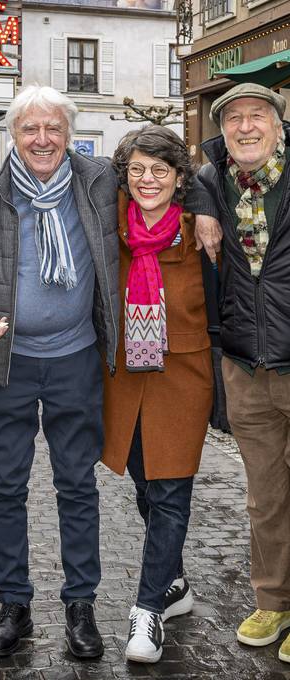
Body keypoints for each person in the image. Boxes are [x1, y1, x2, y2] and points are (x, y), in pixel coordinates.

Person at [0, 84, 219, 661]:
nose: (42, 139)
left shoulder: (98, 182)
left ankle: (80, 604)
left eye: (54, 129)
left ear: (69, 135)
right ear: (12, 135)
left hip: (77, 359)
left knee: (77, 485)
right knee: (4, 485)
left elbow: (171, 181)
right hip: (7, 363)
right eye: (30, 129)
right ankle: (12, 604)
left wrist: (208, 214)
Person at [102, 125, 213, 663]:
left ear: (178, 179)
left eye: (160, 170)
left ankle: (146, 612)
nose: (148, 180)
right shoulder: (109, 229)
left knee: (171, 493)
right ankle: (172, 583)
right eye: (138, 170)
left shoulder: (200, 232)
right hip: (126, 379)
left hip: (183, 377)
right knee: (147, 489)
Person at [199, 82, 290, 665]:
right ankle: (272, 599)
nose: (247, 126)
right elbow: (150, 175)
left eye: (258, 116)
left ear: (280, 125)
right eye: (234, 119)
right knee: (266, 496)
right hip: (245, 364)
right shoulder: (212, 182)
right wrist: (203, 208)